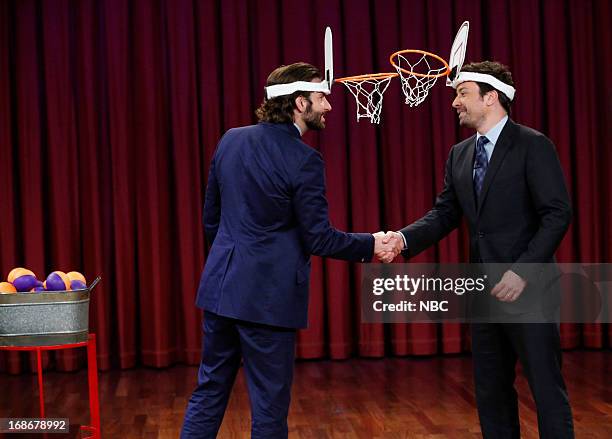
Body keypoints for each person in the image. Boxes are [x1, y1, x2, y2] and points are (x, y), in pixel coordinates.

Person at [181, 62, 400, 439]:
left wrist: (232, 264)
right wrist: (372, 244)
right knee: (269, 405)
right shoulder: (304, 160)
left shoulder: (230, 139)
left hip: (221, 291)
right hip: (267, 301)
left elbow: (211, 220)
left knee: (209, 390)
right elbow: (319, 238)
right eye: (322, 97)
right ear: (300, 103)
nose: (329, 106)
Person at [383, 61, 574, 438]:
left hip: (529, 290)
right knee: (490, 391)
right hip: (483, 293)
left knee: (546, 389)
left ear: (491, 98)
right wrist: (403, 239)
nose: (455, 102)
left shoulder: (533, 145)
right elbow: (445, 214)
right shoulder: (459, 154)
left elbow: (557, 214)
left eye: (462, 93)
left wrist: (522, 272)